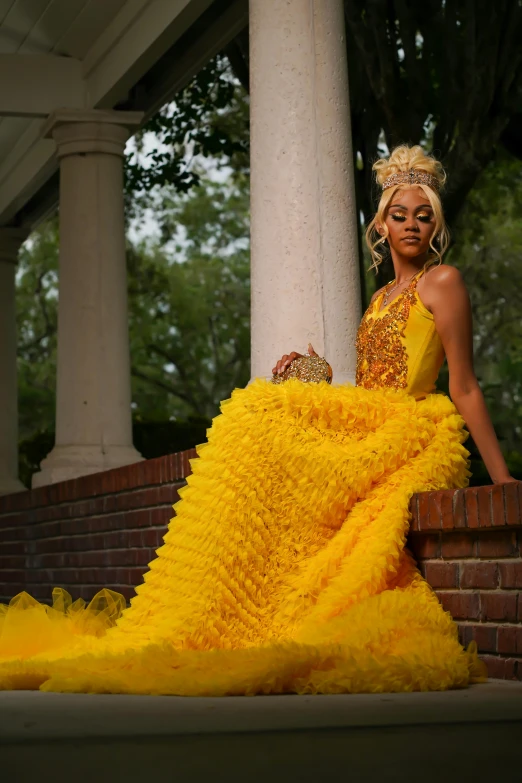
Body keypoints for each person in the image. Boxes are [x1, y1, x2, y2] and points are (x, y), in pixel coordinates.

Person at [1, 144, 506, 696]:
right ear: (381, 226)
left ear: (436, 225)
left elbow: (463, 385)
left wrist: (503, 482)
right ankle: (221, 598)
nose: (411, 224)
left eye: (423, 215)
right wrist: (318, 371)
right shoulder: (381, 297)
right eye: (399, 215)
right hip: (372, 417)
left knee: (259, 415)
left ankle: (252, 600)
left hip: (407, 426)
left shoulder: (443, 282)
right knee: (259, 415)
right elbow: (370, 381)